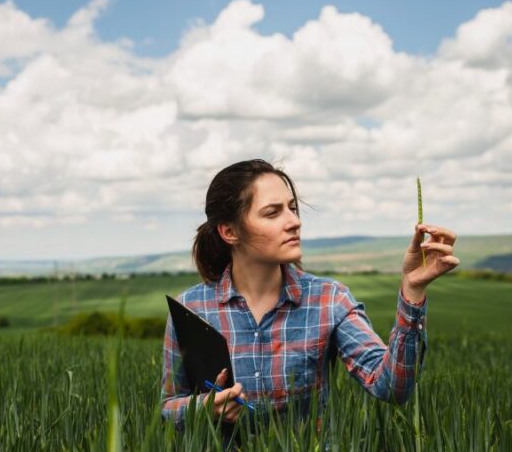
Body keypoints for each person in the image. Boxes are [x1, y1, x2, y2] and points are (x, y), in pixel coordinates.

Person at [160, 159, 459, 431]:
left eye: (292, 208)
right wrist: (204, 407)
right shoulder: (190, 309)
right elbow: (169, 405)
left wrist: (413, 289)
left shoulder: (330, 300)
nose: (294, 221)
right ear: (230, 232)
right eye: (273, 212)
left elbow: (392, 388)